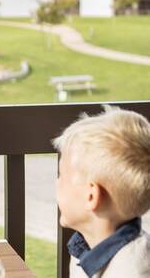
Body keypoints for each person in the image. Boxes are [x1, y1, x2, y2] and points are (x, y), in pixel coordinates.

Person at [52, 106, 150, 278]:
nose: (57, 183)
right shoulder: (86, 249)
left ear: (91, 196)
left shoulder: (133, 272)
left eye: (63, 176)